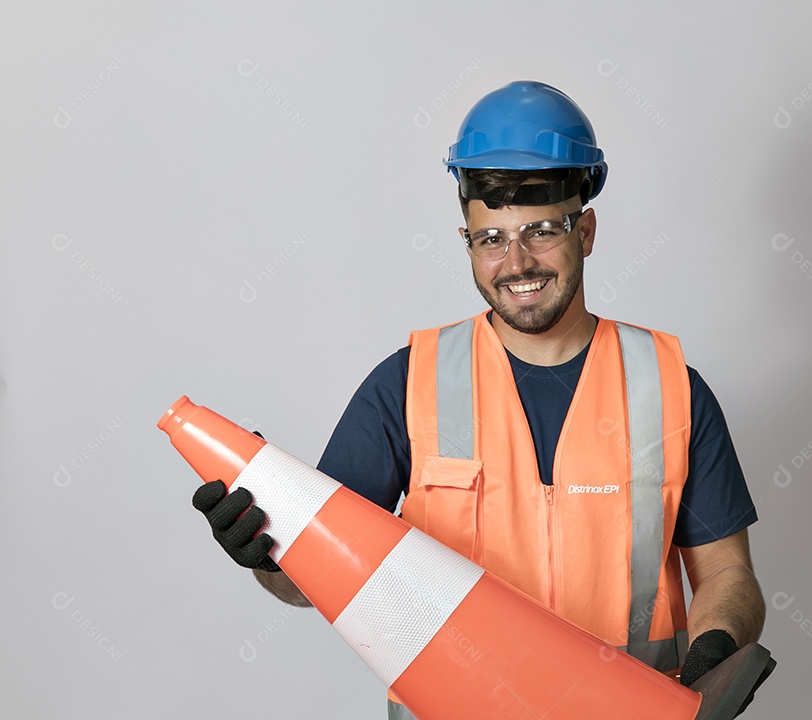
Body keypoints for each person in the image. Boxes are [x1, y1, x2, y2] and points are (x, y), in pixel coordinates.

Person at [192, 80, 765, 719]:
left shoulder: (670, 387)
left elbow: (727, 574)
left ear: (588, 230)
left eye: (541, 230)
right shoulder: (405, 387)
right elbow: (317, 573)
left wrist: (713, 655)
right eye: (490, 238)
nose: (516, 262)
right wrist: (264, 549)